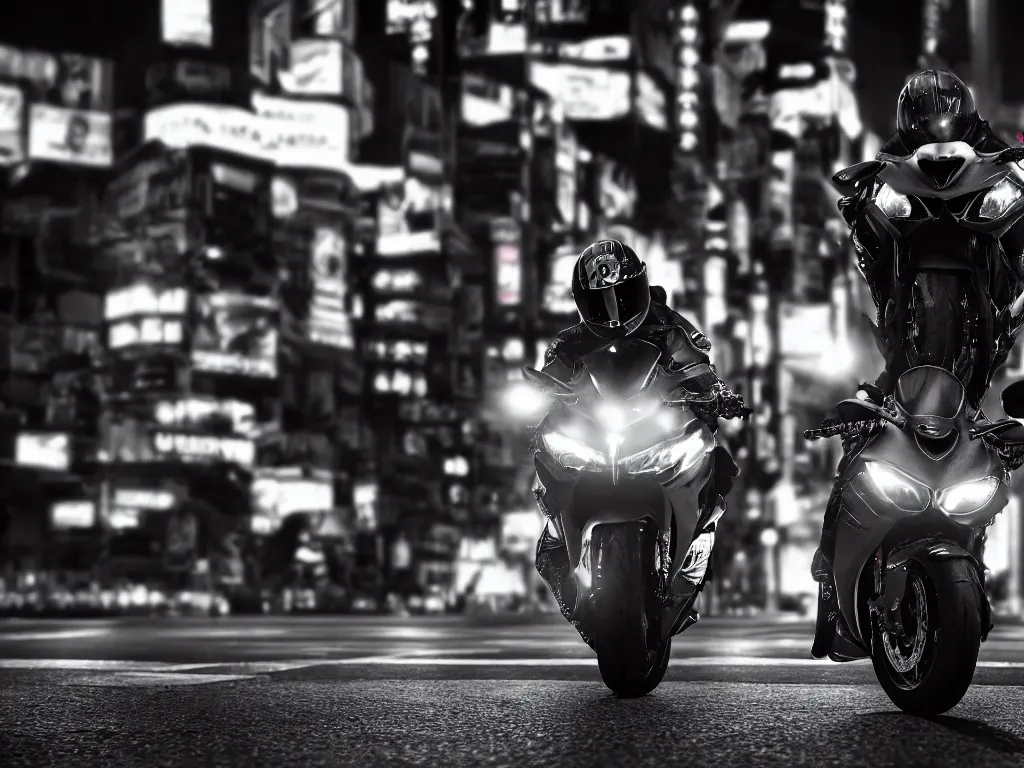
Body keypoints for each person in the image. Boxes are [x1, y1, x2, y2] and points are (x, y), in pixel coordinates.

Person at [532, 239, 745, 627]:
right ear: (582, 300)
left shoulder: (671, 328)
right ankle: (561, 551)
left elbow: (699, 368)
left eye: (622, 294)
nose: (613, 310)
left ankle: (699, 541)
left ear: (642, 286)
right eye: (601, 300)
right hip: (595, 436)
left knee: (720, 466)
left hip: (654, 427)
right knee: (546, 462)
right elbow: (548, 384)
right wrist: (531, 399)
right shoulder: (568, 342)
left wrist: (719, 395)